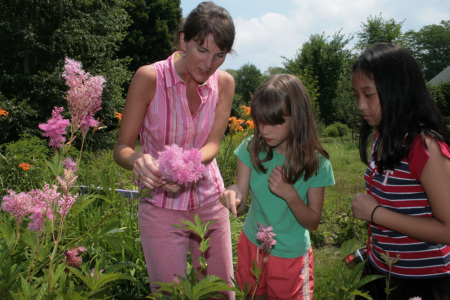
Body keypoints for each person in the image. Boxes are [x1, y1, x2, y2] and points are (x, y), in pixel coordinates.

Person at [113, 2, 236, 298]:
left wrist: (183, 166)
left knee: (220, 292)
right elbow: (121, 148)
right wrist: (138, 161)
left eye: (219, 54)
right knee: (170, 293)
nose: (209, 64)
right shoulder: (149, 78)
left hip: (210, 201)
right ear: (183, 40)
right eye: (202, 49)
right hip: (160, 206)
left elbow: (213, 145)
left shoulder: (225, 83)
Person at [220, 74, 335, 299]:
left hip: (290, 256)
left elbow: (312, 222)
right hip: (252, 245)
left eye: (274, 122)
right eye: (260, 121)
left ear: (297, 118)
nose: (264, 130)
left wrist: (290, 194)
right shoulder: (251, 148)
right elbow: (240, 199)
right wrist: (233, 194)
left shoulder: (317, 164)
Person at [350, 43, 450, 300]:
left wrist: (375, 213)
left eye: (369, 94)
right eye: (356, 95)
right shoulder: (382, 138)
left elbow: (447, 229)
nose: (361, 105)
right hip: (383, 270)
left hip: (422, 280)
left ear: (398, 89)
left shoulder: (425, 147)